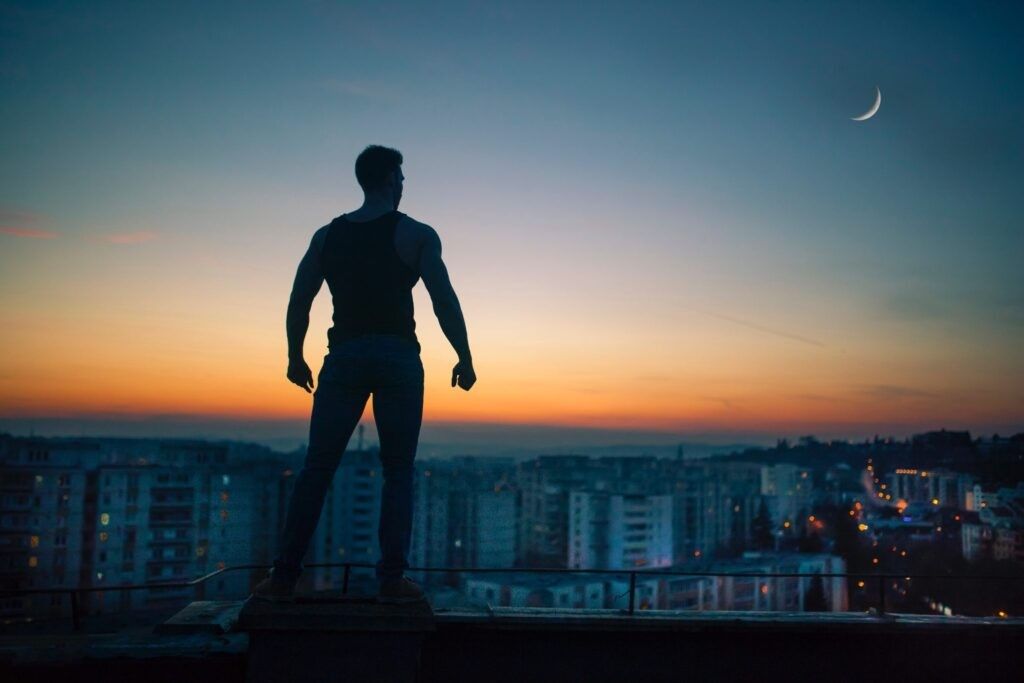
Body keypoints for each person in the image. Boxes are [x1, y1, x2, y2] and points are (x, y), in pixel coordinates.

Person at [252, 144, 476, 603]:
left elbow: (300, 300)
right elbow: (443, 300)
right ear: (392, 179)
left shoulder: (326, 237)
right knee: (398, 471)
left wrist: (295, 356)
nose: (403, 185)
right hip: (397, 358)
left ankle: (283, 577)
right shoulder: (415, 234)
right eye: (403, 177)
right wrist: (464, 356)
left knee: (317, 468)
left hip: (345, 357)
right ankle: (392, 581)